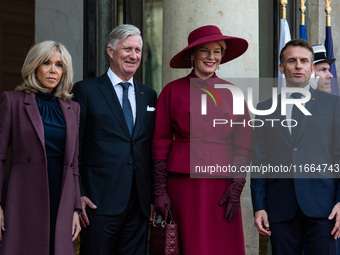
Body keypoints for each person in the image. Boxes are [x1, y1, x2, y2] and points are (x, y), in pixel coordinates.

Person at [152, 25, 252, 255]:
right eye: (205, 51)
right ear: (192, 55)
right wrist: (159, 190)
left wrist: (237, 185)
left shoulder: (234, 93)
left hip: (223, 187)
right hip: (183, 186)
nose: (211, 57)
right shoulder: (171, 91)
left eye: (217, 51)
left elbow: (243, 143)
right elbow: (159, 143)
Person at [72, 24, 157, 255]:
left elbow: (149, 148)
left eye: (138, 50)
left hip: (138, 204)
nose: (134, 55)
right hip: (98, 202)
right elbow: (74, 148)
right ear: (110, 51)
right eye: (127, 49)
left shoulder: (148, 94)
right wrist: (77, 193)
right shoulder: (85, 90)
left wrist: (151, 197)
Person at [251, 39, 340, 255]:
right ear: (282, 68)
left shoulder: (333, 106)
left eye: (304, 61)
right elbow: (260, 162)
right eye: (292, 61)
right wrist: (259, 206)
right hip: (280, 208)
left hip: (324, 208)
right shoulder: (264, 109)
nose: (298, 66)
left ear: (311, 68)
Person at [0, 40, 82, 255]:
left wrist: (75, 208)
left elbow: (74, 164)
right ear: (34, 66)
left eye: (59, 64)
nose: (53, 70)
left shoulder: (73, 108)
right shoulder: (12, 101)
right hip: (23, 194)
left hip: (61, 192)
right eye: (47, 63)